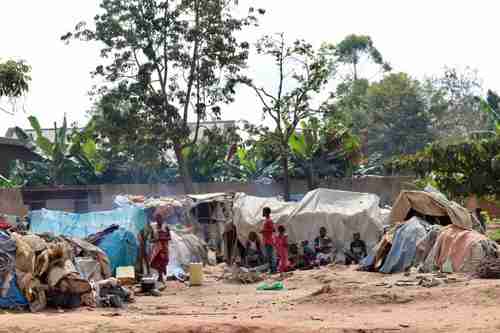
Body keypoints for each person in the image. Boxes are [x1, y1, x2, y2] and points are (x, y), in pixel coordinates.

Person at [149, 212, 171, 283]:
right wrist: (156, 239)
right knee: (157, 262)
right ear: (155, 219)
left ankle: (161, 276)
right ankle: (160, 276)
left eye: (160, 218)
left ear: (162, 219)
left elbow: (169, 237)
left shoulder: (166, 227)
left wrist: (162, 238)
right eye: (157, 219)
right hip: (157, 248)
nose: (158, 220)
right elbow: (150, 239)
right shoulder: (153, 227)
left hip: (164, 248)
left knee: (163, 262)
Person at [260, 207, 276, 273]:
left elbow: (273, 230)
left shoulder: (269, 220)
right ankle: (271, 269)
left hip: (269, 241)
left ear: (266, 212)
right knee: (268, 255)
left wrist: (264, 230)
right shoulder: (266, 220)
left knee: (270, 256)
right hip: (266, 240)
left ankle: (273, 269)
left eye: (263, 211)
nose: (262, 213)